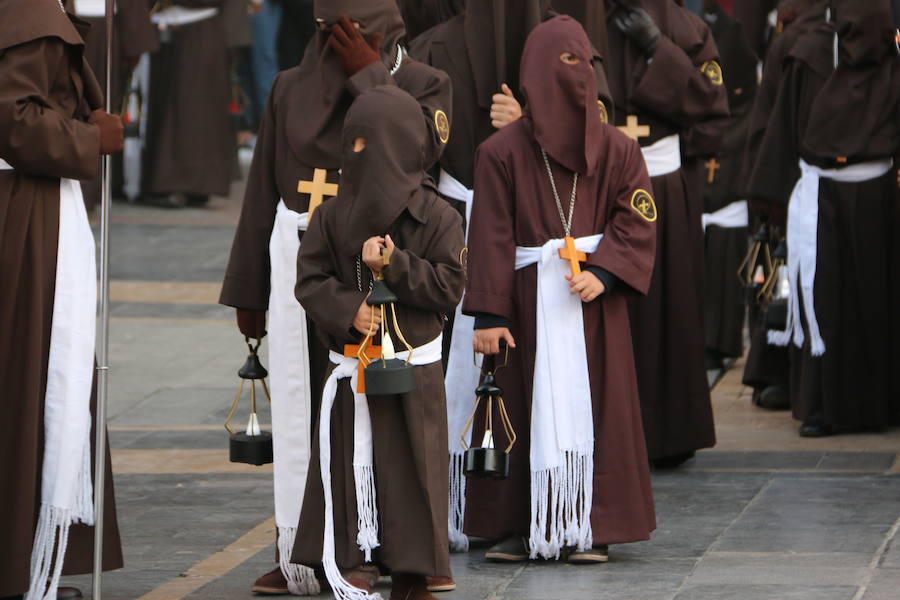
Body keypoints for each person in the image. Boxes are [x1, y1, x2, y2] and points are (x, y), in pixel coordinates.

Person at [219, 0, 452, 594]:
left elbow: (424, 152)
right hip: (307, 260)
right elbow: (261, 192)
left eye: (351, 32)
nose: (337, 42)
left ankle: (385, 551)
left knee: (377, 421)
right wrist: (249, 288)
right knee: (306, 412)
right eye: (328, 32)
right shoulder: (288, 88)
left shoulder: (425, 81)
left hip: (382, 265)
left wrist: (370, 75)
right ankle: (302, 546)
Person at [409, 0, 615, 563]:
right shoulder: (437, 48)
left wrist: (535, 122)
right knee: (491, 392)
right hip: (477, 250)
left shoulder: (561, 39)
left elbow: (601, 132)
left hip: (563, 271)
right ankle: (484, 514)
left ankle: (580, 519)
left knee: (569, 399)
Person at [463, 16, 657, 565]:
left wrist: (606, 271)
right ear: (535, 76)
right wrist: (488, 316)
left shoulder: (620, 151)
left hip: (591, 306)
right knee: (519, 410)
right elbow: (492, 236)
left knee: (600, 407)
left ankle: (593, 525)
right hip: (524, 308)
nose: (579, 76)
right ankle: (518, 524)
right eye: (565, 64)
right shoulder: (500, 152)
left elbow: (637, 218)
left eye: (585, 64)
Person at [292, 84, 465, 600]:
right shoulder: (331, 215)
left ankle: (414, 566)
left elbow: (449, 287)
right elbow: (310, 279)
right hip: (352, 366)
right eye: (353, 144)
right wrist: (350, 310)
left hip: (412, 368)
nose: (359, 157)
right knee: (350, 462)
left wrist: (395, 266)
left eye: (372, 144)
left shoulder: (438, 217)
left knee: (413, 465)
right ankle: (354, 558)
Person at [0, 1, 125, 598]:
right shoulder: (26, 12)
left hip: (27, 206)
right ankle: (22, 564)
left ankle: (32, 559)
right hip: (25, 211)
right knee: (33, 375)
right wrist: (90, 136)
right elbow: (15, 118)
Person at [746, 0, 900, 437]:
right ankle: (859, 405)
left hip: (851, 193)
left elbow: (783, 131)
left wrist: (770, 197)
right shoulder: (824, 54)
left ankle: (828, 408)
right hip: (851, 197)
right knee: (843, 300)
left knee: (840, 301)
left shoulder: (810, 52)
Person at [604, 0, 729, 468]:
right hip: (601, 186)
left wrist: (658, 47)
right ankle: (609, 432)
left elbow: (711, 107)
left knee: (670, 307)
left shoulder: (686, 27)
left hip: (664, 186)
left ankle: (672, 432)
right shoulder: (578, 17)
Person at [740, 0, 825, 410]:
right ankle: (781, 371)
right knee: (791, 280)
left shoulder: (792, 38)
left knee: (794, 278)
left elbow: (766, 121)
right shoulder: (798, 40)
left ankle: (780, 375)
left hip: (793, 177)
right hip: (804, 179)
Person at [699, 0, 759, 368]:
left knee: (725, 276)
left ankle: (722, 342)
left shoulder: (746, 108)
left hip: (729, 206)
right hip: (704, 210)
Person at [139, 0, 235, 208]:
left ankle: (192, 183)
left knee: (193, 108)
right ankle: (170, 182)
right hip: (165, 28)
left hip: (200, 28)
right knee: (167, 108)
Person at [74, 0, 157, 211]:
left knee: (97, 109)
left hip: (104, 23)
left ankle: (88, 192)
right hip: (75, 18)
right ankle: (84, 193)